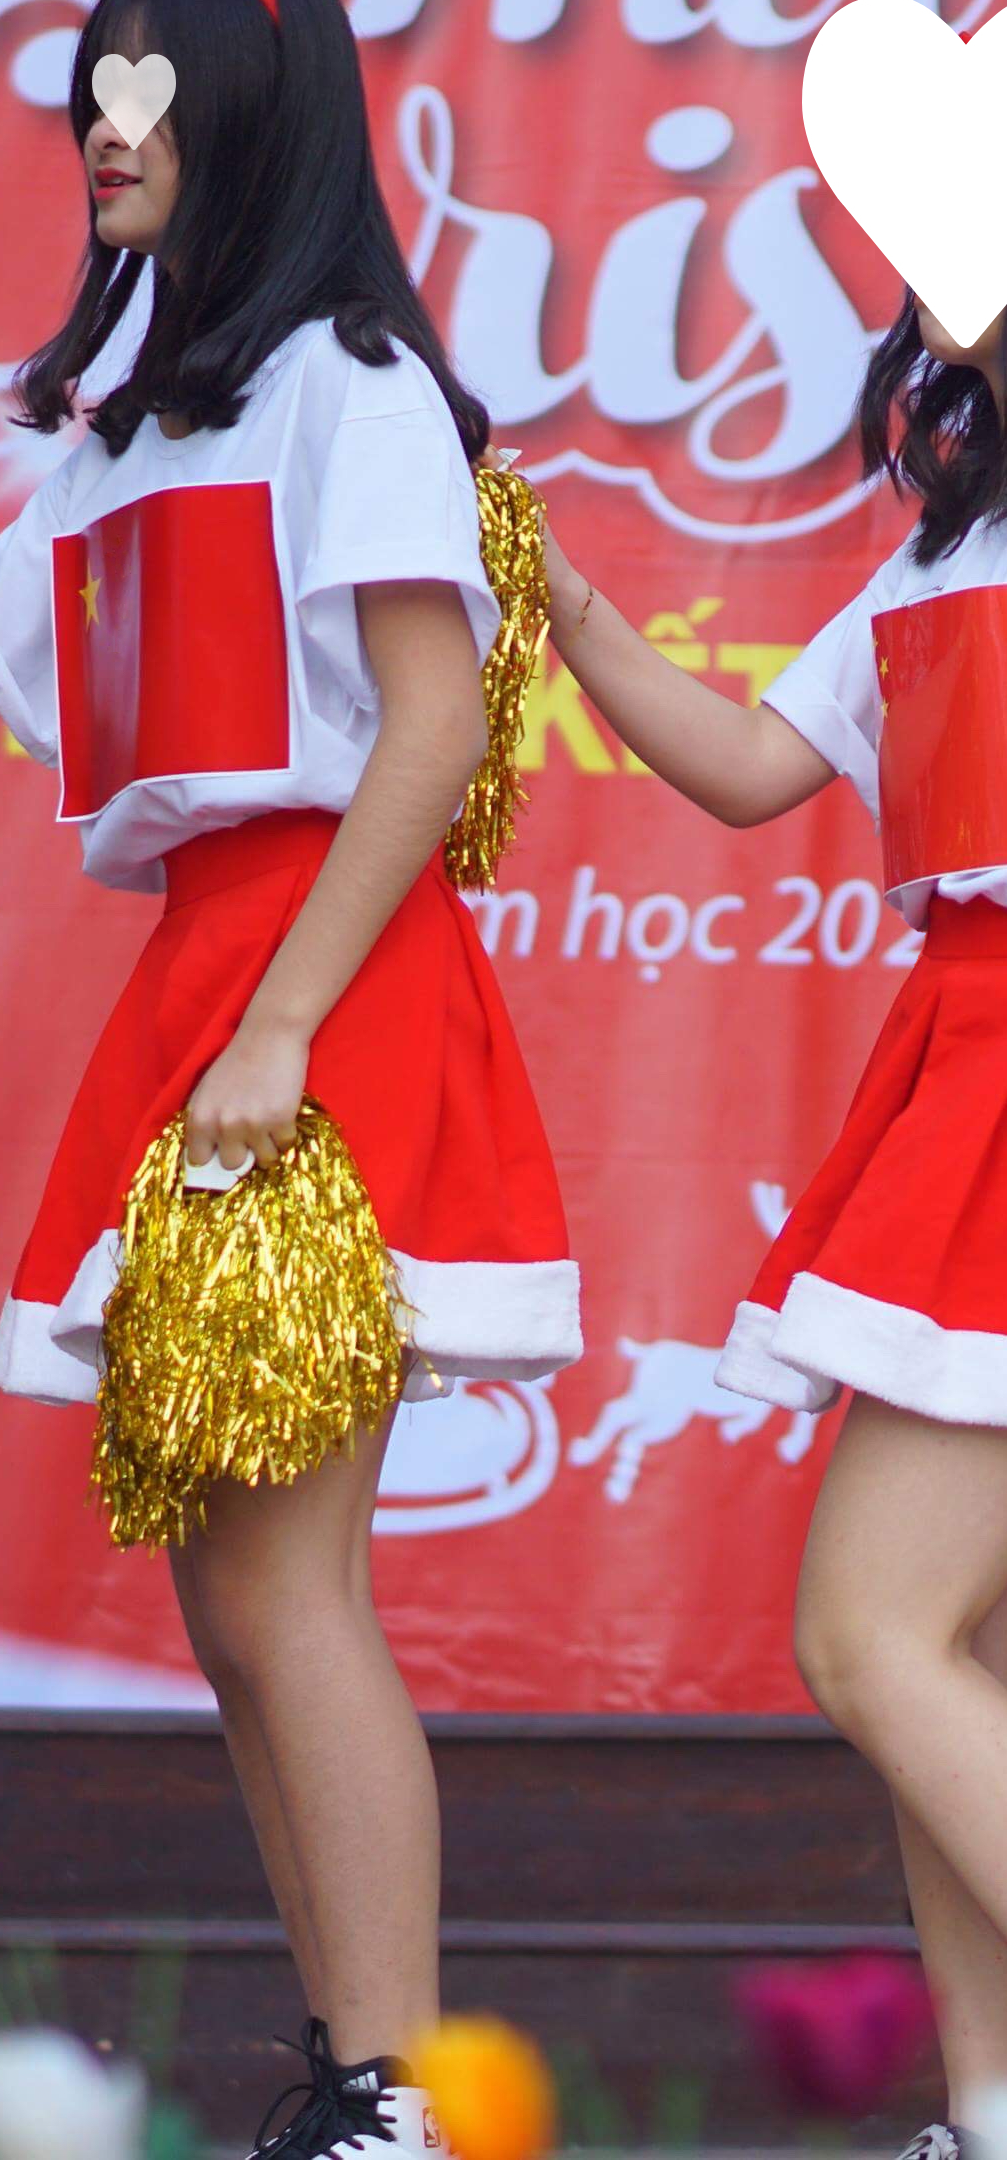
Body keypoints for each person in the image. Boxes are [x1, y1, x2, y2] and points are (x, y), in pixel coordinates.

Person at [0, 0, 580, 2160]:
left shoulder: (353, 391)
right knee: (231, 1600)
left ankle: (398, 2099)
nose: (104, 136)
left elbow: (431, 727)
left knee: (293, 1587)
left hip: (325, 992)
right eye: (91, 97)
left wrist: (288, 1023)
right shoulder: (125, 445)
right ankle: (354, 2076)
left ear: (248, 127)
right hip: (209, 987)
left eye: (149, 98)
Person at [544, 278, 1007, 2160]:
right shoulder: (944, 553)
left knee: (872, 1634)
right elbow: (752, 768)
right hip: (962, 1072)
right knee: (944, 1657)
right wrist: (557, 593)